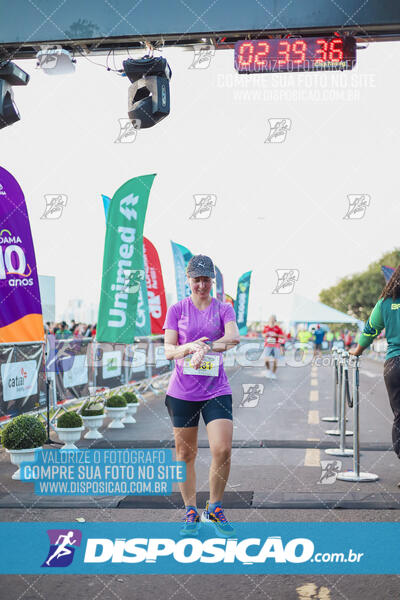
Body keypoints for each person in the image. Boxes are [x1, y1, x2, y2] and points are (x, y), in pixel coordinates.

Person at [163, 255, 240, 537]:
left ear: (213, 281)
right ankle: (190, 511)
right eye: (197, 279)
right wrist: (189, 347)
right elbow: (169, 350)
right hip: (182, 392)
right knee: (185, 454)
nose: (202, 285)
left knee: (222, 449)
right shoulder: (177, 310)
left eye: (206, 279)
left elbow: (233, 338)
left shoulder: (224, 309)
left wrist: (206, 348)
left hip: (216, 390)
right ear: (188, 281)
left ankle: (215, 508)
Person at [349, 266, 400, 484]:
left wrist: (357, 351)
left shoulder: (386, 303)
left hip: (394, 364)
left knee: (399, 416)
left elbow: (370, 330)